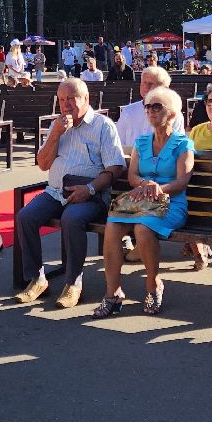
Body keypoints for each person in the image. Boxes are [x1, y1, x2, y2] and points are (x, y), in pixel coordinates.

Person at [14, 78, 128, 310]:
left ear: (86, 99)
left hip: (92, 193)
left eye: (71, 99)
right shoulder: (57, 126)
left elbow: (115, 167)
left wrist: (90, 189)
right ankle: (37, 278)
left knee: (72, 219)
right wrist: (55, 133)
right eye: (61, 100)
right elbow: (43, 164)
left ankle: (73, 283)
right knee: (26, 217)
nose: (66, 105)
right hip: (56, 191)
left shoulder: (102, 126)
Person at [93, 87, 195, 317]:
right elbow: (132, 177)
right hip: (140, 201)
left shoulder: (182, 144)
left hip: (171, 203)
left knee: (142, 228)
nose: (150, 111)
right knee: (112, 226)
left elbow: (181, 182)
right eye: (148, 106)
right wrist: (144, 184)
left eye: (157, 106)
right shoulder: (141, 142)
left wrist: (158, 187)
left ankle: (152, 284)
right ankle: (113, 292)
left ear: (172, 114)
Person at [116, 66, 183, 151]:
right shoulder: (128, 111)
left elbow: (176, 147)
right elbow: (117, 142)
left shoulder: (173, 114)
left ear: (164, 88)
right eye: (144, 83)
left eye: (151, 84)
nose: (146, 87)